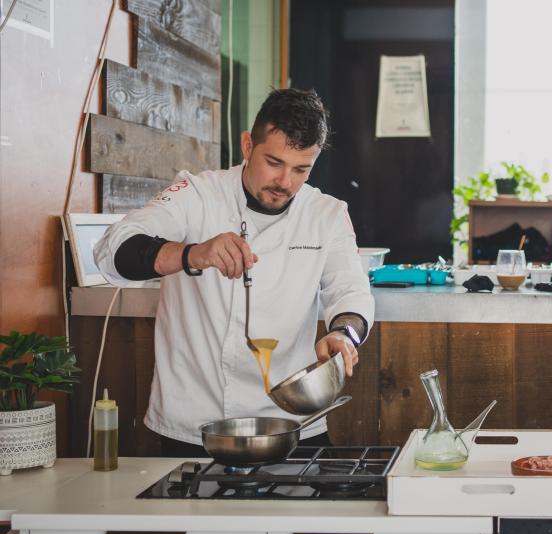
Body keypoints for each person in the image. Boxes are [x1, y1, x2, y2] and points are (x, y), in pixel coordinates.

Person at [94, 89, 373, 457]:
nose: (285, 182)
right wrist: (191, 254)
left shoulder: (327, 214)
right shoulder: (197, 193)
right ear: (247, 145)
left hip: (291, 419)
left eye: (301, 169)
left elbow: (350, 291)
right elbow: (113, 250)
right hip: (195, 422)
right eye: (274, 162)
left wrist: (345, 334)